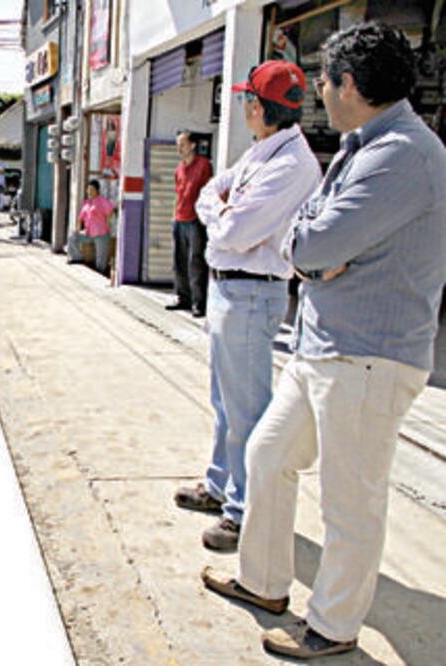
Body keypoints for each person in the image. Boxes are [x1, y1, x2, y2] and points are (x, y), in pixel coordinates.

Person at [202, 23, 446, 660]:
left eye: (327, 81)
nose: (321, 92)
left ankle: (334, 626)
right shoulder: (361, 145)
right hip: (323, 346)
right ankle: (263, 581)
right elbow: (307, 235)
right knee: (266, 456)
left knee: (351, 501)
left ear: (353, 86)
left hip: (368, 354)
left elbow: (309, 243)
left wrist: (309, 247)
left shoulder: (403, 156)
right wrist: (309, 246)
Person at [173, 60, 321, 552]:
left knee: (247, 411)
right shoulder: (263, 152)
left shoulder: (291, 165)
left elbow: (234, 229)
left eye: (245, 100)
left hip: (254, 290)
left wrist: (222, 212)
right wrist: (223, 208)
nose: (242, 108)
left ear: (257, 106)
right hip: (230, 287)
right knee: (224, 401)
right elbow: (209, 197)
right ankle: (220, 485)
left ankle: (243, 511)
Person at [167, 131, 213, 317]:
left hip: (196, 220)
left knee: (196, 261)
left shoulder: (203, 165)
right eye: (178, 144)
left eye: (183, 144)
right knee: (179, 261)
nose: (179, 148)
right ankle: (182, 297)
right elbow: (178, 194)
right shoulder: (179, 169)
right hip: (179, 218)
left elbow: (208, 191)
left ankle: (199, 302)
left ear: (193, 145)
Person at [66, 179, 115, 275]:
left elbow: (111, 210)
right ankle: (77, 258)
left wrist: (107, 222)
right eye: (88, 189)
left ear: (97, 190)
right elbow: (81, 217)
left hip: (101, 233)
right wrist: (77, 229)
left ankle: (100, 273)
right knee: (72, 237)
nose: (89, 191)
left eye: (92, 189)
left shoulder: (101, 200)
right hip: (88, 233)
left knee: (101, 259)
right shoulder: (87, 203)